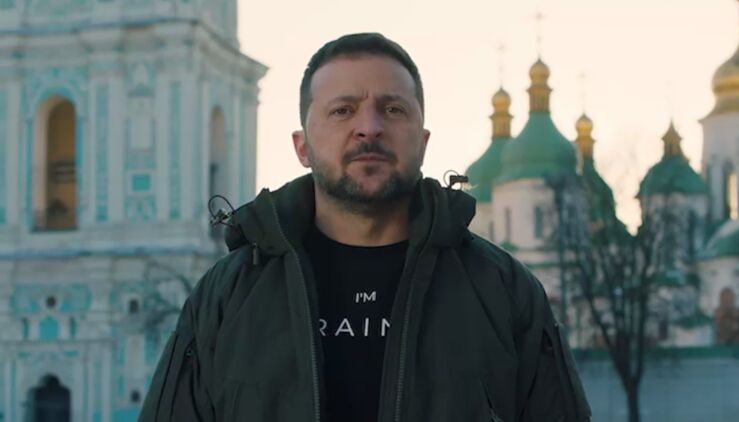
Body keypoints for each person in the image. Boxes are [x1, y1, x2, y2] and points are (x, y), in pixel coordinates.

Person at [139, 32, 591, 422]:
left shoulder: (503, 292)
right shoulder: (229, 295)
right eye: (343, 111)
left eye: (392, 109)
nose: (369, 127)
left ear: (423, 142)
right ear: (302, 146)